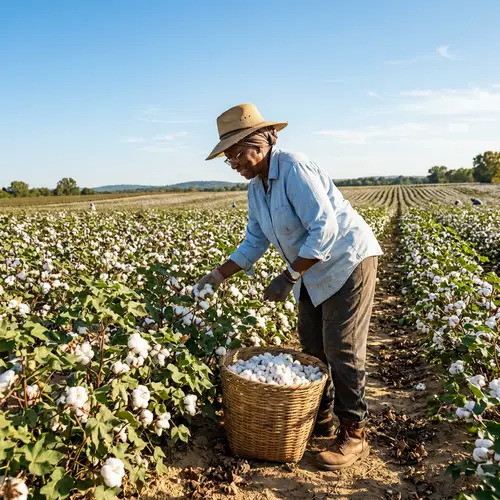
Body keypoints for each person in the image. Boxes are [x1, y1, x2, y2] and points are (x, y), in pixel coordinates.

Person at [195, 104, 383, 471]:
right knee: (312, 346)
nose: (232, 162)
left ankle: (354, 433)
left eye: (235, 153)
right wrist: (218, 275)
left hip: (347, 261)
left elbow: (324, 228)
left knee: (341, 347)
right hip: (310, 270)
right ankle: (322, 418)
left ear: (260, 142)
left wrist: (289, 276)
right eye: (227, 157)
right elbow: (253, 241)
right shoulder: (257, 189)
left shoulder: (293, 167)